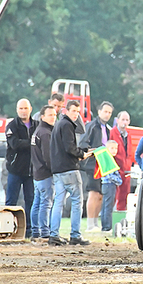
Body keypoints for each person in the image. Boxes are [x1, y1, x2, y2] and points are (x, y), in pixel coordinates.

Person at [49, 100, 92, 246]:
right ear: (66, 111)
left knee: (58, 202)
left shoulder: (58, 124)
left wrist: (82, 152)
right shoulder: (67, 125)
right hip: (69, 169)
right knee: (77, 202)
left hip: (57, 169)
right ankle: (75, 235)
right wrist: (82, 154)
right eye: (73, 111)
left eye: (78, 112)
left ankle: (53, 235)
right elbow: (70, 148)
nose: (76, 114)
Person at [79, 101, 114, 232]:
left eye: (109, 112)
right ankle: (90, 224)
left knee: (100, 194)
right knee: (93, 193)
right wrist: (95, 152)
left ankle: (95, 223)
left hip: (104, 164)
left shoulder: (109, 129)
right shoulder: (92, 126)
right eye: (105, 111)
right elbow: (83, 143)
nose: (107, 114)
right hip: (92, 165)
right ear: (99, 112)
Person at [5, 98, 36, 238]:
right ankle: (7, 229)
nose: (23, 111)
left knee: (31, 200)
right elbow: (15, 144)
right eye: (21, 108)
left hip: (31, 171)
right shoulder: (12, 126)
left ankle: (29, 230)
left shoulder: (37, 125)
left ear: (31, 109)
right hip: (15, 170)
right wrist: (32, 143)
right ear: (17, 110)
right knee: (11, 201)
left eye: (25, 108)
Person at [30, 105, 57, 242]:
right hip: (45, 173)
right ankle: (44, 231)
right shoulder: (46, 133)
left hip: (37, 173)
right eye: (50, 115)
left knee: (37, 202)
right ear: (42, 117)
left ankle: (35, 231)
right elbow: (48, 156)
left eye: (54, 114)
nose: (54, 117)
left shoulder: (37, 131)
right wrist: (54, 170)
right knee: (46, 203)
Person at [109, 110, 133, 212]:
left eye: (127, 120)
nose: (125, 122)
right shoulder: (112, 133)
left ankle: (121, 213)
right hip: (115, 168)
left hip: (126, 169)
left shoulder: (128, 135)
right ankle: (109, 217)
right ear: (117, 120)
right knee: (112, 195)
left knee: (125, 194)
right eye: (123, 119)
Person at [99, 140, 123, 233]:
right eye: (112, 148)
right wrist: (119, 181)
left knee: (106, 205)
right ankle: (107, 227)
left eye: (116, 148)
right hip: (109, 184)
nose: (114, 150)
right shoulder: (108, 160)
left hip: (107, 185)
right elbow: (109, 174)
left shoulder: (108, 159)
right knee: (108, 206)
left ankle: (105, 226)